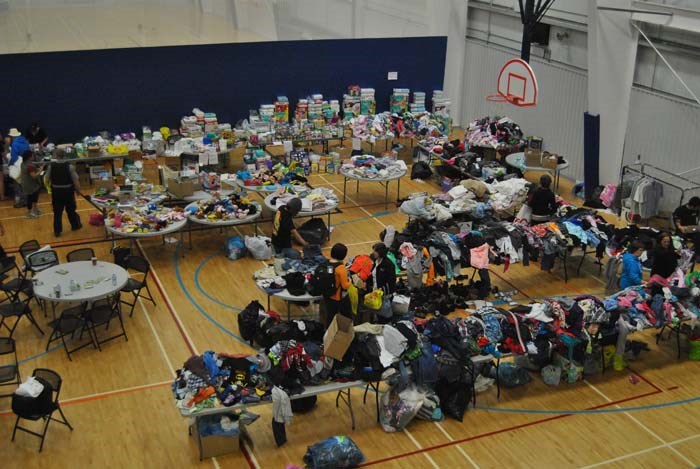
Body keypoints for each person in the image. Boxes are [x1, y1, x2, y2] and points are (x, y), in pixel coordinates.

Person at [45, 148, 82, 237]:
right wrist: (78, 190)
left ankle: (57, 231)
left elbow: (46, 179)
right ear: (64, 156)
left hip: (56, 192)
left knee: (57, 212)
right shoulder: (69, 166)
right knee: (71, 210)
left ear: (55, 156)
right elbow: (76, 180)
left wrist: (50, 187)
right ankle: (75, 226)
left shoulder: (51, 166)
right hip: (68, 191)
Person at [324, 243, 352, 326]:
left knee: (330, 317)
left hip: (328, 295)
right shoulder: (341, 268)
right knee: (347, 317)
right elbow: (345, 285)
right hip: (338, 298)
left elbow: (330, 276)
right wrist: (349, 280)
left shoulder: (327, 263)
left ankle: (328, 335)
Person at [7, 128, 29, 208]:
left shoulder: (14, 144)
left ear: (12, 136)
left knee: (17, 184)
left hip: (18, 166)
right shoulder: (25, 141)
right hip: (26, 164)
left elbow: (14, 157)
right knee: (24, 183)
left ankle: (20, 202)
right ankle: (27, 200)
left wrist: (10, 164)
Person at [19, 150, 44, 218]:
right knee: (30, 198)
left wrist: (37, 169)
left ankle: (35, 209)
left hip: (29, 184)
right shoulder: (30, 165)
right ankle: (29, 213)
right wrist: (41, 169)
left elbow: (31, 171)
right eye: (32, 155)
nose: (33, 156)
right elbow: (34, 176)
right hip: (30, 185)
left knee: (35, 197)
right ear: (29, 157)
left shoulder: (23, 163)